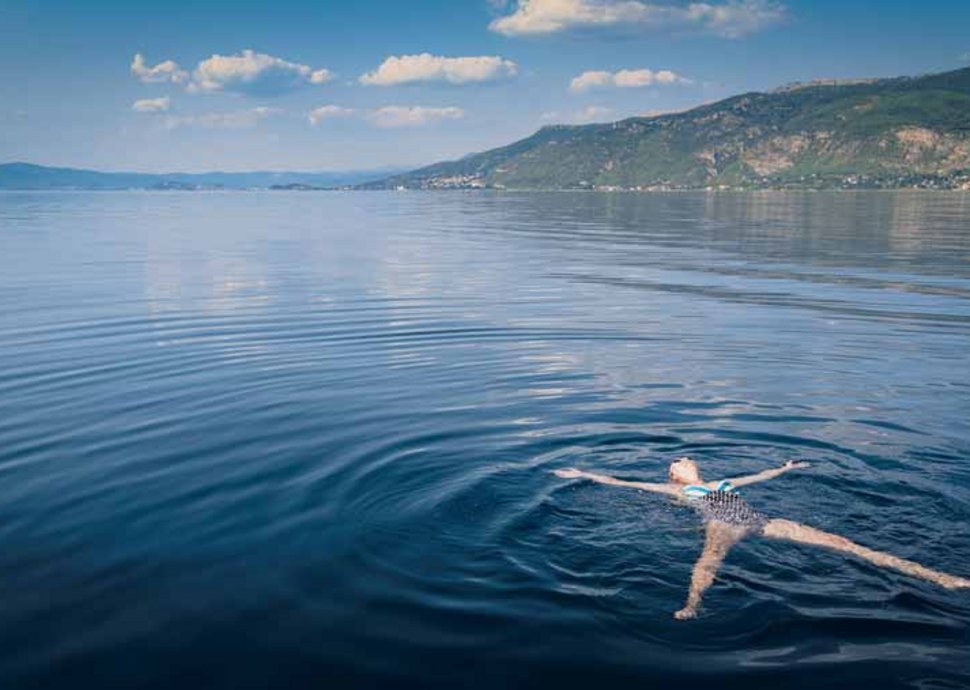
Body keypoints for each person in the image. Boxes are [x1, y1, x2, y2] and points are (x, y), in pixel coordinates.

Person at [554, 458, 970, 620]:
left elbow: (761, 477)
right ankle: (693, 604)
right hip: (723, 525)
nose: (683, 459)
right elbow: (623, 484)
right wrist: (583, 475)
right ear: (675, 476)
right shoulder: (676, 492)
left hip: (764, 520)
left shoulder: (722, 480)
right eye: (677, 462)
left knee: (847, 545)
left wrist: (785, 469)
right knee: (707, 563)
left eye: (684, 458)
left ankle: (939, 578)